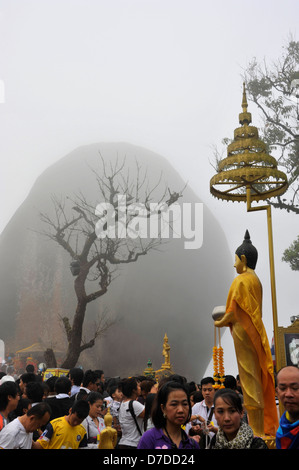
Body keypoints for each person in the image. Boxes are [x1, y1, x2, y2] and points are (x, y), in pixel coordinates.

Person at [214, 230, 278, 437]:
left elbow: (232, 313)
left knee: (250, 380)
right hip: (255, 334)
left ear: (243, 259)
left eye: (235, 260)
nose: (234, 265)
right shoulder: (256, 280)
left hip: (245, 334)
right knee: (254, 379)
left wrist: (219, 322)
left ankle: (257, 431)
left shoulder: (241, 280)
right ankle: (260, 428)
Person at [137, 381, 199, 449]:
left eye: (185, 404)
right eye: (174, 404)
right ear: (163, 408)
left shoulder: (192, 445)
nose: (181, 410)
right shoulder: (149, 439)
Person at [187, 377, 218, 448]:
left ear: (215, 390)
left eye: (210, 390)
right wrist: (194, 428)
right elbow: (188, 423)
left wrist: (214, 429)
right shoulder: (196, 406)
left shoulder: (220, 407)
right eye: (204, 390)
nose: (207, 393)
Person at [117, 377, 145, 449]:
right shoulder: (134, 404)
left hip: (123, 443)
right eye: (138, 386)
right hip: (133, 444)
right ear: (134, 390)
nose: (140, 388)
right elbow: (151, 414)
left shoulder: (123, 403)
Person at [276, 366, 299, 449]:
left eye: (295, 388)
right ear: (277, 392)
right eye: (283, 388)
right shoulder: (282, 428)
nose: (288, 394)